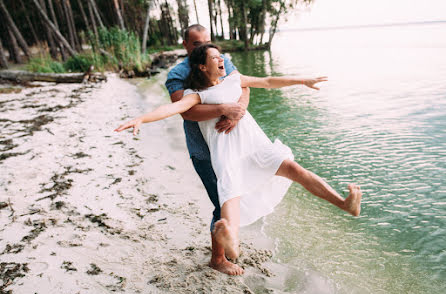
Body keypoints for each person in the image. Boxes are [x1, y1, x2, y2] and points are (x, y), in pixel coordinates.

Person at [115, 43, 363, 276]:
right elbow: (172, 109)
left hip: (256, 148)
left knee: (296, 170)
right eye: (215, 57)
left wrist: (301, 80)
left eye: (220, 55)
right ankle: (230, 247)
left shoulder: (233, 79)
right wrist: (142, 119)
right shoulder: (195, 95)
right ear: (202, 66)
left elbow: (267, 81)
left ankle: (344, 204)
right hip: (229, 158)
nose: (221, 59)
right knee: (230, 205)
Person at [164, 24, 250, 275]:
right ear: (185, 46)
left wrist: (238, 112)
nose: (202, 47)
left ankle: (226, 243)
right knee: (220, 201)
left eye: (206, 41)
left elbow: (243, 86)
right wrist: (224, 109)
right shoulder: (177, 74)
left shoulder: (221, 60)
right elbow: (186, 110)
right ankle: (218, 259)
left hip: (231, 143)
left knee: (232, 198)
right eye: (195, 43)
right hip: (204, 151)